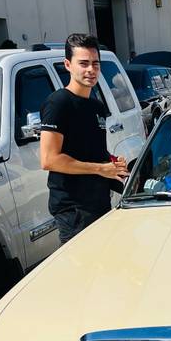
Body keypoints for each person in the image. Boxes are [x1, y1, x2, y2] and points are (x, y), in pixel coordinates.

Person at [40, 33, 129, 244]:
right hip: (74, 212)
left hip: (99, 202)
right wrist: (100, 169)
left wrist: (113, 162)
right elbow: (49, 159)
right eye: (83, 63)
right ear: (67, 65)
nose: (91, 69)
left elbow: (93, 150)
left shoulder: (96, 105)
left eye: (95, 64)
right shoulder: (58, 103)